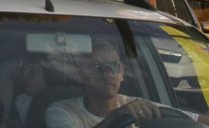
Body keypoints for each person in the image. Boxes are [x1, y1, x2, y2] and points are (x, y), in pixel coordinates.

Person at [44, 38, 208, 127]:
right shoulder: (61, 111)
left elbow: (193, 119)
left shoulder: (135, 106)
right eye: (97, 67)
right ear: (80, 75)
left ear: (122, 72)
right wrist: (116, 118)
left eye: (113, 66)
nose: (107, 73)